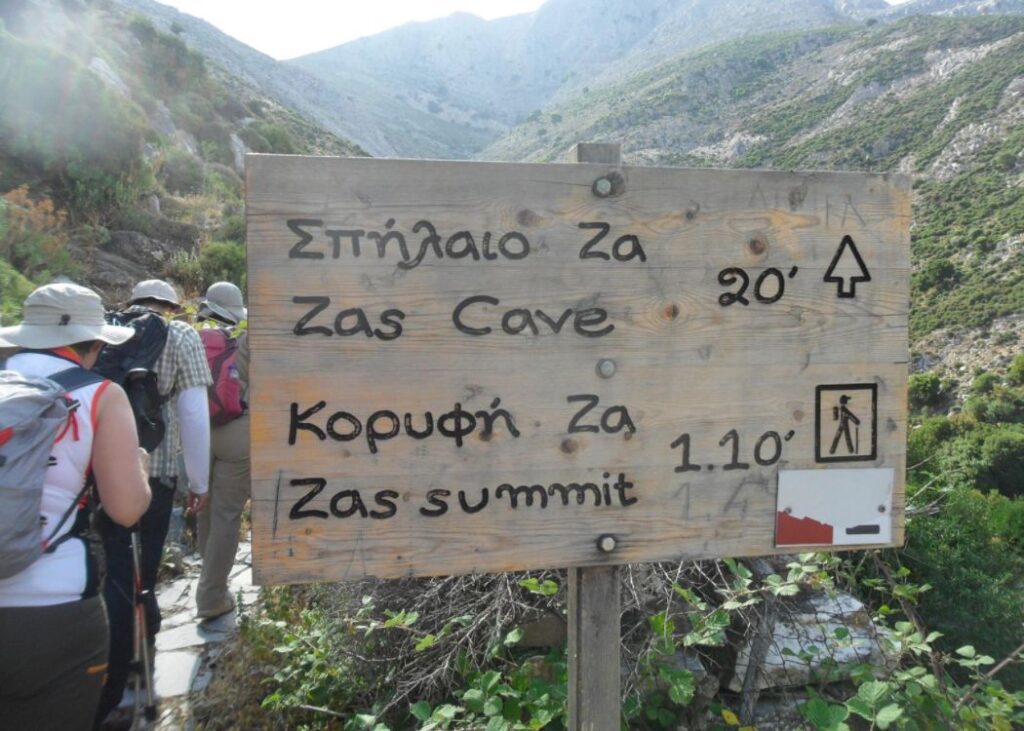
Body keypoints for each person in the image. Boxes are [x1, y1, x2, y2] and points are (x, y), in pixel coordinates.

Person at [0, 283, 151, 730]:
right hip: (55, 605)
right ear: (96, 341)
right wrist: (140, 471)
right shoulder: (100, 394)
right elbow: (126, 509)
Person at [96, 279, 213, 723]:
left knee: (111, 569)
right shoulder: (181, 336)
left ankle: (104, 662)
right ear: (170, 305)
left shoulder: (105, 329)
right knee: (142, 568)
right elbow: (193, 412)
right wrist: (198, 482)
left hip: (96, 476)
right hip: (155, 472)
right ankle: (136, 666)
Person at [195, 282, 250, 620]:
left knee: (205, 508)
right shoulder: (245, 338)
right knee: (227, 515)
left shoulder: (190, 335)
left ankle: (208, 578)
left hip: (198, 429)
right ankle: (212, 596)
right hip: (238, 431)